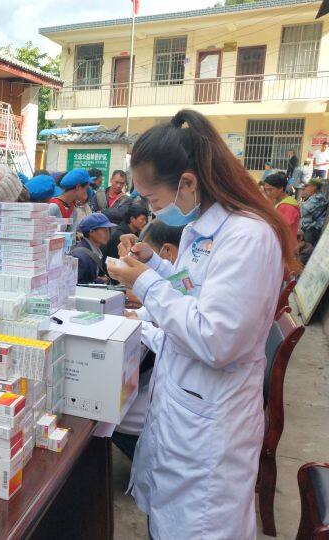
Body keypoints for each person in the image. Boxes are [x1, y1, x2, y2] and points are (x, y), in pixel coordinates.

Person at [107, 109, 295, 539]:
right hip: (184, 402)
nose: (152, 210)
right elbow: (192, 289)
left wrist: (145, 282)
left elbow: (216, 338)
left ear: (188, 183)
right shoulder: (201, 228)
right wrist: (153, 263)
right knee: (168, 521)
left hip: (212, 422)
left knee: (201, 527)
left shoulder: (247, 237)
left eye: (155, 201)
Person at [112, 220, 184, 461]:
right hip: (177, 382)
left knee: (110, 413)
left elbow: (190, 331)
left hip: (184, 397)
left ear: (168, 251)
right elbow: (179, 289)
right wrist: (139, 316)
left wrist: (140, 324)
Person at [71, 213, 115, 284]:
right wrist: (100, 281)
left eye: (108, 230)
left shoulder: (98, 249)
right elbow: (75, 283)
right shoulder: (80, 256)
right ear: (91, 232)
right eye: (104, 230)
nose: (108, 234)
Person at [263, 172, 300, 237]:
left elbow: (282, 229)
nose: (268, 193)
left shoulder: (287, 206)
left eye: (270, 190)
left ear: (281, 188)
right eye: (266, 190)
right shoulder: (276, 201)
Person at [299, 178, 328, 246]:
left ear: (314, 187)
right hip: (308, 227)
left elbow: (303, 211)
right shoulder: (315, 196)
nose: (305, 188)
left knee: (306, 247)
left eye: (307, 186)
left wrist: (303, 198)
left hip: (312, 229)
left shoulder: (319, 198)